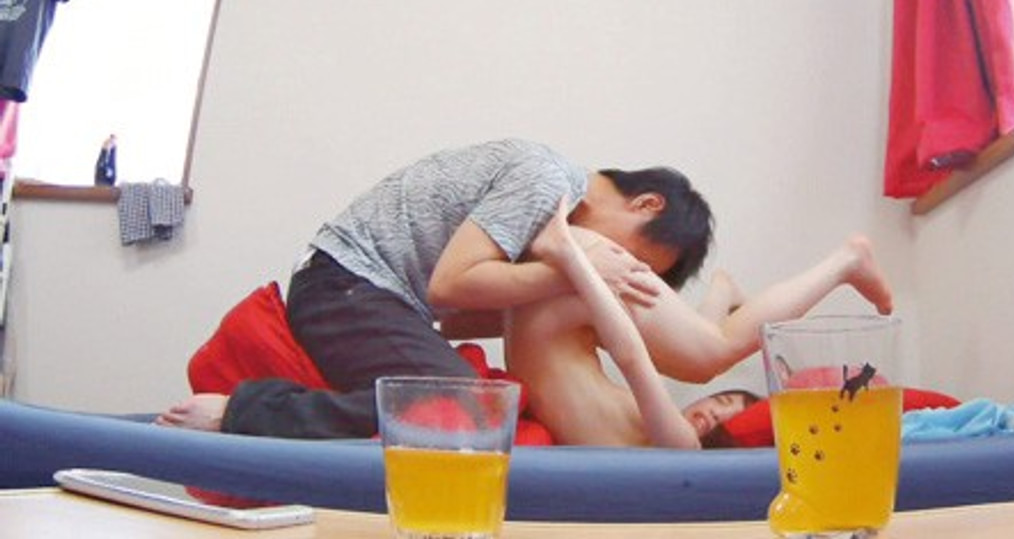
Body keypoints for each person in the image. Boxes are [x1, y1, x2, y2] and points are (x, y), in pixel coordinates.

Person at [156, 139, 715, 438]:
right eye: (631, 256)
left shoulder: (551, 211)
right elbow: (453, 284)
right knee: (462, 399)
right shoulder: (548, 181)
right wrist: (577, 270)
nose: (617, 267)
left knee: (481, 404)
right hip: (347, 281)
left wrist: (570, 298)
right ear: (647, 204)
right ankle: (243, 412)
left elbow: (454, 316)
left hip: (371, 292)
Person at [508, 198, 892, 448]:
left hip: (560, 281)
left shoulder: (681, 445)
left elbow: (630, 357)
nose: (712, 416)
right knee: (710, 352)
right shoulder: (651, 425)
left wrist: (572, 259)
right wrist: (573, 260)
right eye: (722, 402)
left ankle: (723, 289)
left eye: (724, 422)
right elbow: (630, 354)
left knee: (702, 352)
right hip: (569, 269)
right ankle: (846, 262)